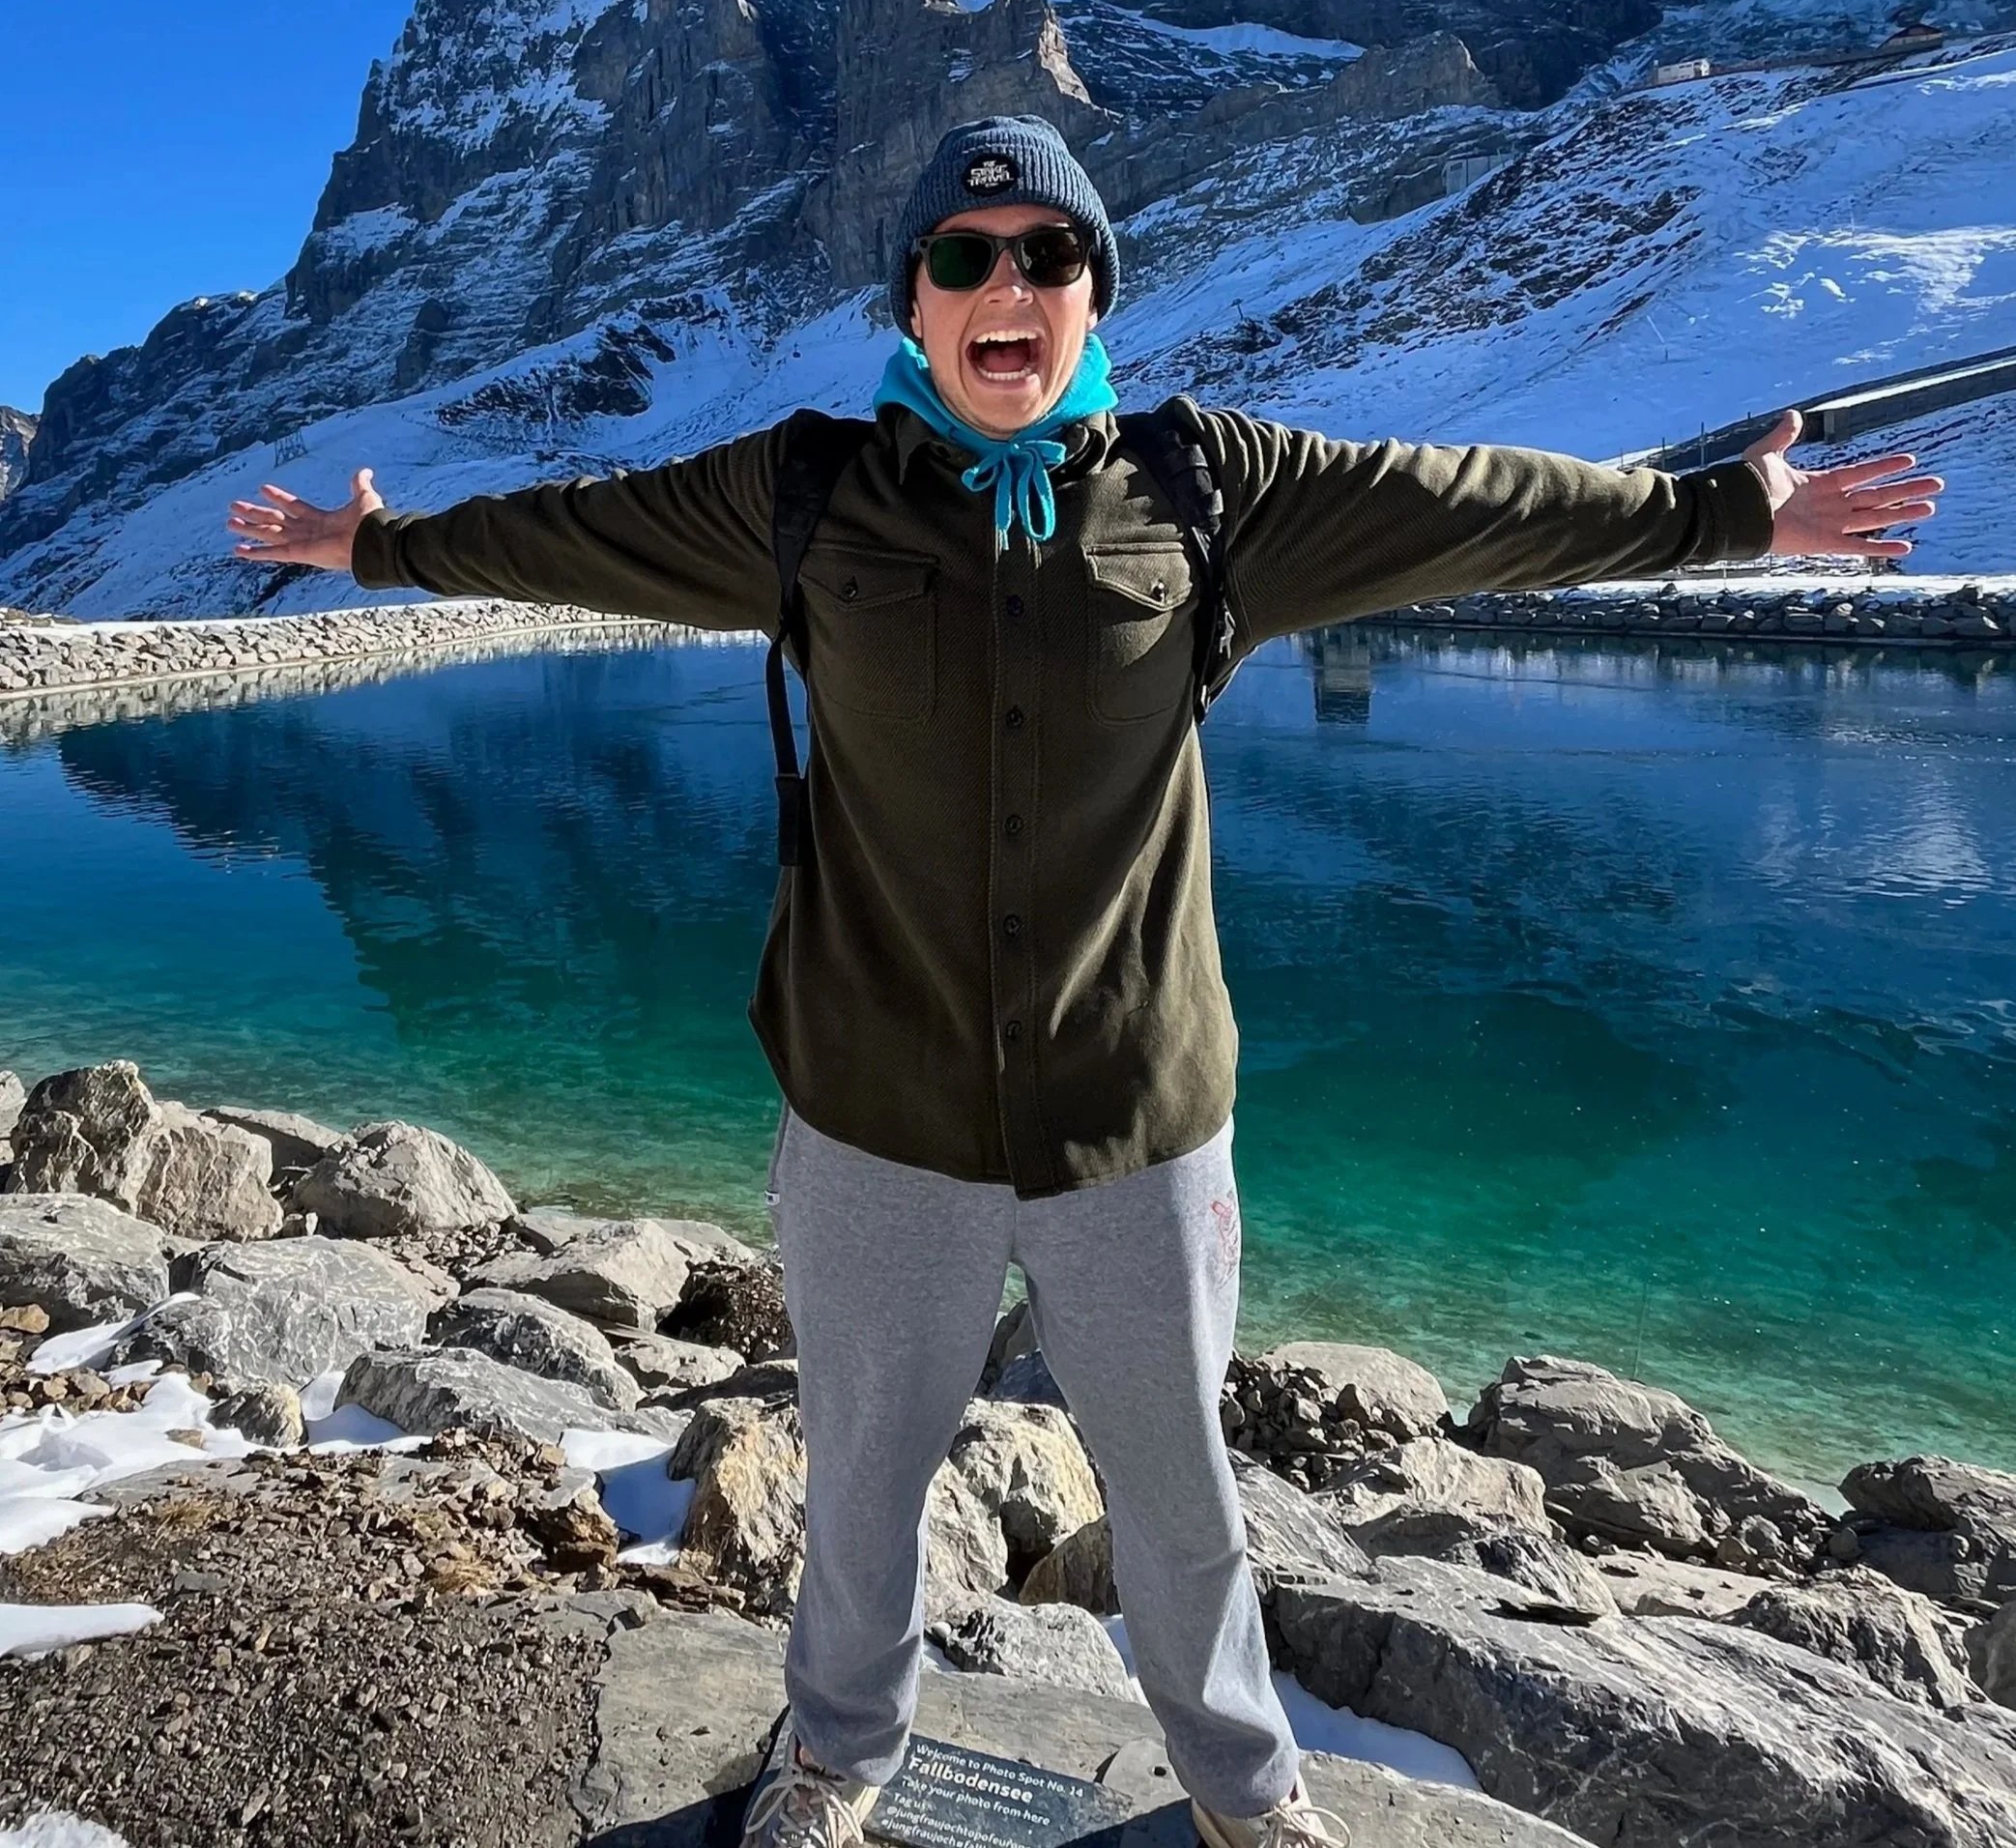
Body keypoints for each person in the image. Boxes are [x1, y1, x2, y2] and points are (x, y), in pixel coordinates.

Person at [227, 115, 1940, 1848]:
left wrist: (1724, 513)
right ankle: (831, 1760)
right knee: (865, 1483)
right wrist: (379, 549)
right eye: (963, 255)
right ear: (911, 297)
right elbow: (575, 531)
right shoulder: (805, 493)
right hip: (874, 1108)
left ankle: (1245, 1792)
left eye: (1046, 254)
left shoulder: (1209, 491)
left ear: (1091, 291)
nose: (1005, 283)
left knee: (1180, 1492)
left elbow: (1468, 504)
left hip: (1136, 1114)